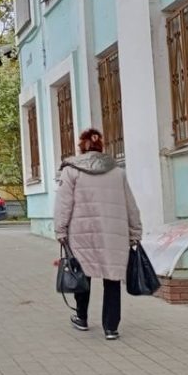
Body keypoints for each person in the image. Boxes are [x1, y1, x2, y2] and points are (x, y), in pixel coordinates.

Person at [54, 128, 143, 340]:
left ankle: (82, 318)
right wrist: (135, 232)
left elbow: (63, 204)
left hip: (82, 233)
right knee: (112, 278)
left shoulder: (71, 171)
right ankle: (111, 327)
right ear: (101, 147)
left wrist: (60, 229)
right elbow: (130, 205)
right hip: (113, 234)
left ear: (81, 146)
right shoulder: (117, 171)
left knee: (81, 273)